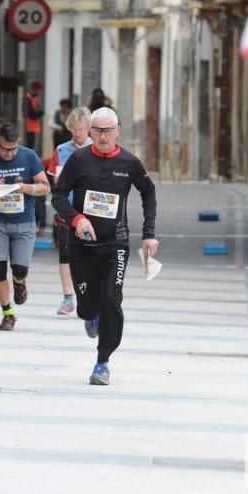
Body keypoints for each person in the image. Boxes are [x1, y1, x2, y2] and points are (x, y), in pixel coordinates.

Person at [51, 107, 158, 385]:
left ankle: (102, 362)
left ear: (118, 131)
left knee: (112, 299)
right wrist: (76, 219)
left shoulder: (129, 163)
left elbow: (149, 193)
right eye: (97, 130)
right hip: (82, 244)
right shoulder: (78, 160)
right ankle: (91, 315)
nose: (102, 136)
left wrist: (149, 234)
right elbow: (59, 195)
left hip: (115, 242)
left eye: (108, 130)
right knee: (87, 308)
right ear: (90, 131)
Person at [0, 122, 51, 331]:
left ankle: (19, 281)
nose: (8, 154)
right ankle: (8, 313)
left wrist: (27, 188)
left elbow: (45, 187)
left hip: (24, 223)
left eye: (12, 149)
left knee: (20, 268)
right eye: (4, 148)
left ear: (18, 143)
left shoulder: (29, 156)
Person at [46, 107, 93, 315]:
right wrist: (57, 181)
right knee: (65, 254)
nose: (77, 134)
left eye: (81, 129)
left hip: (91, 213)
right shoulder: (61, 150)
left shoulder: (98, 150)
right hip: (67, 211)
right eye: (74, 129)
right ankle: (67, 298)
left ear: (89, 128)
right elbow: (50, 180)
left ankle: (89, 297)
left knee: (90, 256)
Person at [23, 82, 44, 152]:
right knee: (29, 145)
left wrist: (39, 112)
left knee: (31, 145)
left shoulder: (34, 98)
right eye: (38, 90)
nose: (39, 92)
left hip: (32, 126)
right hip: (28, 126)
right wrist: (40, 112)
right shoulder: (28, 98)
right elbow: (31, 113)